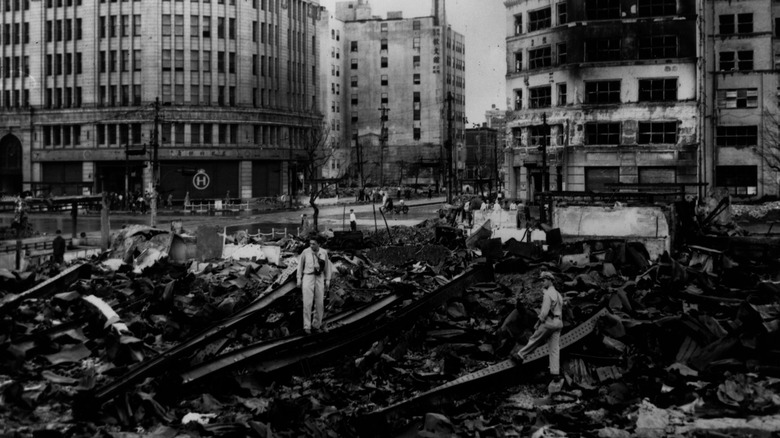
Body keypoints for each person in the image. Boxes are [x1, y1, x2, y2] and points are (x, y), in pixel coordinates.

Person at [513, 271, 564, 383]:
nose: (542, 282)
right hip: (559, 322)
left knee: (535, 338)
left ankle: (520, 356)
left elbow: (544, 312)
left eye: (544, 280)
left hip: (549, 321)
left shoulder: (548, 294)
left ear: (550, 280)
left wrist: (538, 323)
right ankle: (555, 373)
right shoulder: (558, 294)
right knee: (554, 348)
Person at [296, 239, 332, 334]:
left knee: (319, 303)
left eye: (314, 244)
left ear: (319, 244)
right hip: (308, 277)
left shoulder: (324, 252)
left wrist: (328, 280)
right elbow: (300, 266)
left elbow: (327, 267)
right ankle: (306, 326)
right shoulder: (306, 252)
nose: (311, 245)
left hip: (319, 278)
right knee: (307, 303)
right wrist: (299, 279)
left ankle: (316, 325)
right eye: (310, 244)